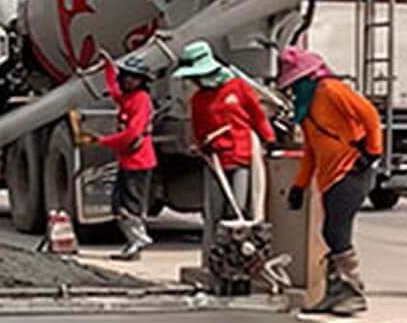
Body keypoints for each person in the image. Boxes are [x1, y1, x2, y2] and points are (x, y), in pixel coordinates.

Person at [279, 47, 383, 316]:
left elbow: (370, 115)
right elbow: (312, 151)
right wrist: (299, 186)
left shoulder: (330, 90)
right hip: (329, 177)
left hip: (351, 170)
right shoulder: (307, 108)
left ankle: (353, 292)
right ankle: (334, 293)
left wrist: (372, 152)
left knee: (336, 232)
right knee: (329, 233)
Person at [174, 40, 274, 253]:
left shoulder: (238, 88)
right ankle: (214, 257)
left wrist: (268, 139)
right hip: (214, 159)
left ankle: (241, 257)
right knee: (215, 213)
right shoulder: (199, 99)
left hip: (240, 156)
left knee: (237, 210)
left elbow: (257, 116)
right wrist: (199, 147)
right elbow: (198, 129)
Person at [87, 52, 157, 260]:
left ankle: (138, 239)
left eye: (134, 77)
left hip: (139, 161)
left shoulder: (141, 100)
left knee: (130, 205)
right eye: (126, 76)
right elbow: (114, 91)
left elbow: (132, 133)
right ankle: (134, 241)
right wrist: (109, 66)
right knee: (119, 204)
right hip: (128, 160)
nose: (129, 80)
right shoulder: (127, 98)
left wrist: (103, 141)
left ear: (142, 81)